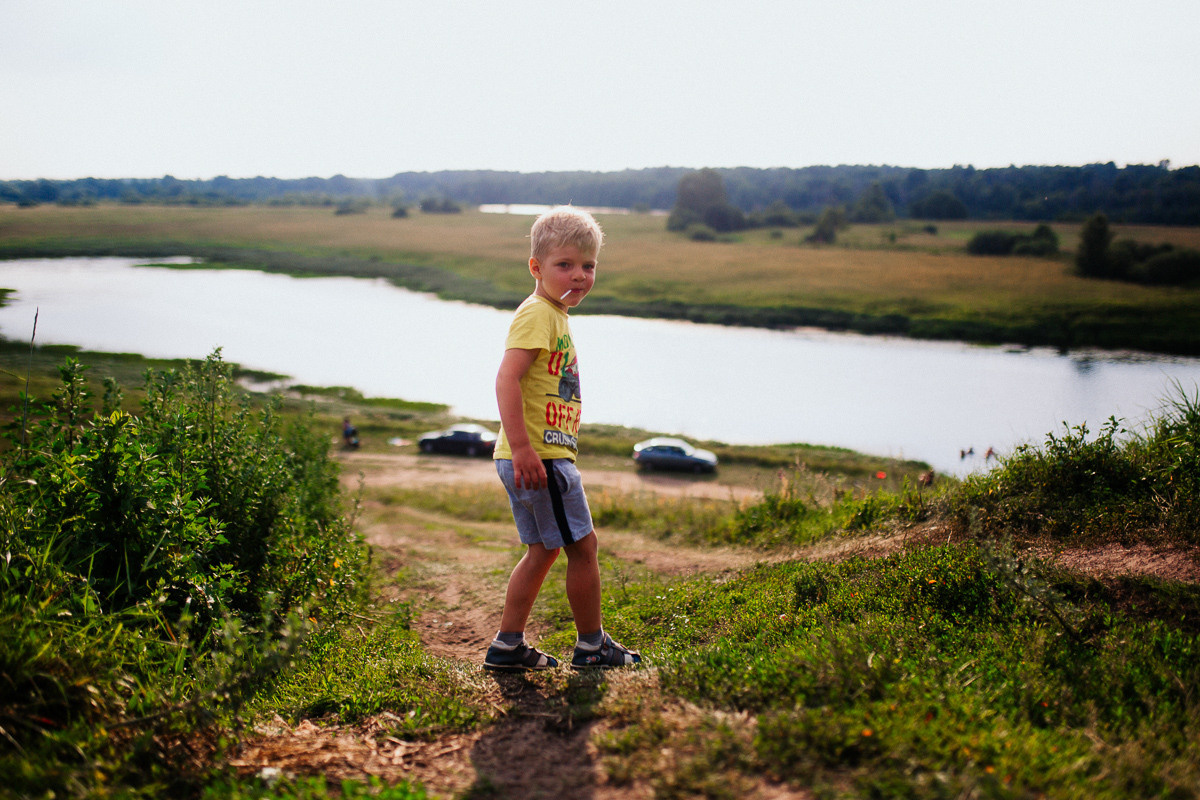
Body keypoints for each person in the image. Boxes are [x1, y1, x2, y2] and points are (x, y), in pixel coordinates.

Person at [484, 206, 641, 672]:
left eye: (588, 266)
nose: (579, 275)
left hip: (533, 455)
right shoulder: (538, 314)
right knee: (584, 548)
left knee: (544, 550)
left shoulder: (553, 314)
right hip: (539, 457)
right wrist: (527, 448)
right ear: (536, 267)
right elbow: (506, 381)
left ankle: (507, 646)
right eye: (565, 265)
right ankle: (593, 646)